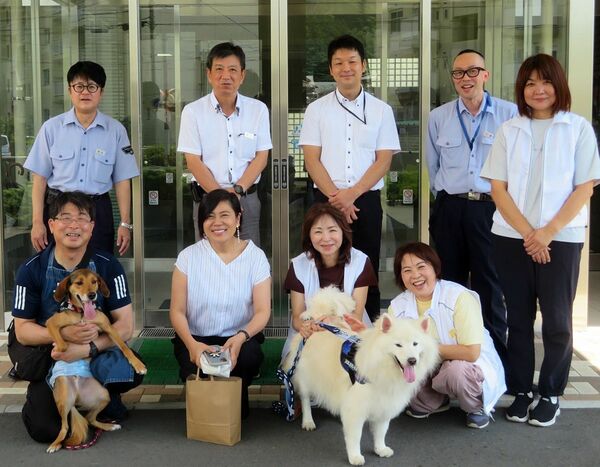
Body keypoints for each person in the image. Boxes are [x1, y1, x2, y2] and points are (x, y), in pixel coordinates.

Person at [481, 54, 600, 427]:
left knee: (558, 320)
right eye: (530, 83)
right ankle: (521, 390)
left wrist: (545, 233)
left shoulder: (577, 128)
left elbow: (585, 187)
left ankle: (549, 392)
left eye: (545, 82)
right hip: (510, 237)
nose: (538, 90)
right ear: (522, 89)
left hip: (560, 239)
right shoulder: (509, 129)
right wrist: (528, 234)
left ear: (558, 86)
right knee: (517, 317)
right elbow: (497, 188)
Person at [11, 191, 143, 443]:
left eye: (82, 218)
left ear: (92, 227)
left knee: (131, 367)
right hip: (50, 356)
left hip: (92, 355)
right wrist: (62, 334)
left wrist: (89, 348)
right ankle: (50, 397)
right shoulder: (30, 270)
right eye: (65, 217)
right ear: (51, 225)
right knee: (45, 429)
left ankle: (99, 397)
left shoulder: (108, 265)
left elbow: (125, 325)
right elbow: (22, 330)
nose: (74, 225)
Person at [300, 35, 400, 321]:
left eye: (352, 62)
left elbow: (383, 160)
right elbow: (311, 159)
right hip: (326, 201)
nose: (346, 68)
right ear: (331, 69)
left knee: (366, 266)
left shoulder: (382, 111)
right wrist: (337, 198)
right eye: (339, 63)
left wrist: (351, 194)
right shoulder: (316, 110)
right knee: (325, 265)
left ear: (363, 66)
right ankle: (322, 329)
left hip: (365, 200)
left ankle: (367, 337)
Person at [426, 49, 517, 362]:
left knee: (489, 284)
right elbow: (433, 167)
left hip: (491, 209)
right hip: (450, 208)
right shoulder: (439, 117)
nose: (466, 78)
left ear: (486, 74)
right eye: (458, 73)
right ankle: (451, 357)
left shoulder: (510, 114)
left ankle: (495, 361)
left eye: (472, 71)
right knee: (448, 283)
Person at [169, 189, 271, 419]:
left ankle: (233, 400)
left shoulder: (256, 257)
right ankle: (200, 388)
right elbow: (176, 311)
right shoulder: (188, 257)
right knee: (202, 394)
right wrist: (192, 345)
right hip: (196, 337)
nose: (217, 223)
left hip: (239, 338)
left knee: (247, 360)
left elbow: (263, 311)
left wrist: (240, 337)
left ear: (238, 217)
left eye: (224, 215)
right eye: (209, 216)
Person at [25, 61, 139, 256]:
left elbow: (122, 181)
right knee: (55, 272)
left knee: (98, 271)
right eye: (79, 86)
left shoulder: (116, 130)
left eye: (92, 86)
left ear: (101, 92)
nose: (85, 92)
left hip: (97, 212)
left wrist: (125, 223)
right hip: (58, 210)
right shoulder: (51, 128)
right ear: (70, 91)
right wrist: (37, 222)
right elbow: (39, 179)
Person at [387, 242, 505, 429]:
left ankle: (474, 407)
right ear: (401, 276)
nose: (415, 276)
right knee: (398, 370)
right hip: (427, 363)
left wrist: (425, 349)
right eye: (407, 270)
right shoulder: (398, 306)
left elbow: (472, 353)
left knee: (455, 372)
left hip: (465, 365)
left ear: (435, 267)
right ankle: (433, 401)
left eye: (421, 267)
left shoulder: (458, 297)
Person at [178, 42, 272, 246]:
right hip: (208, 197)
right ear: (209, 74)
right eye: (219, 69)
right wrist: (221, 197)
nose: (225, 76)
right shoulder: (193, 112)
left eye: (232, 70)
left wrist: (237, 191)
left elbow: (261, 156)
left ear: (242, 75)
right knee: (207, 260)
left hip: (245, 198)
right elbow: (193, 160)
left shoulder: (258, 110)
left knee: (247, 256)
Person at [280, 203, 377, 358]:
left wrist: (333, 322)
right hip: (311, 335)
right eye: (318, 232)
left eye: (332, 230)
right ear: (309, 236)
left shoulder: (361, 262)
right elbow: (297, 316)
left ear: (343, 232)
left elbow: (356, 315)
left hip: (349, 331)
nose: (326, 238)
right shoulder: (298, 265)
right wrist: (306, 326)